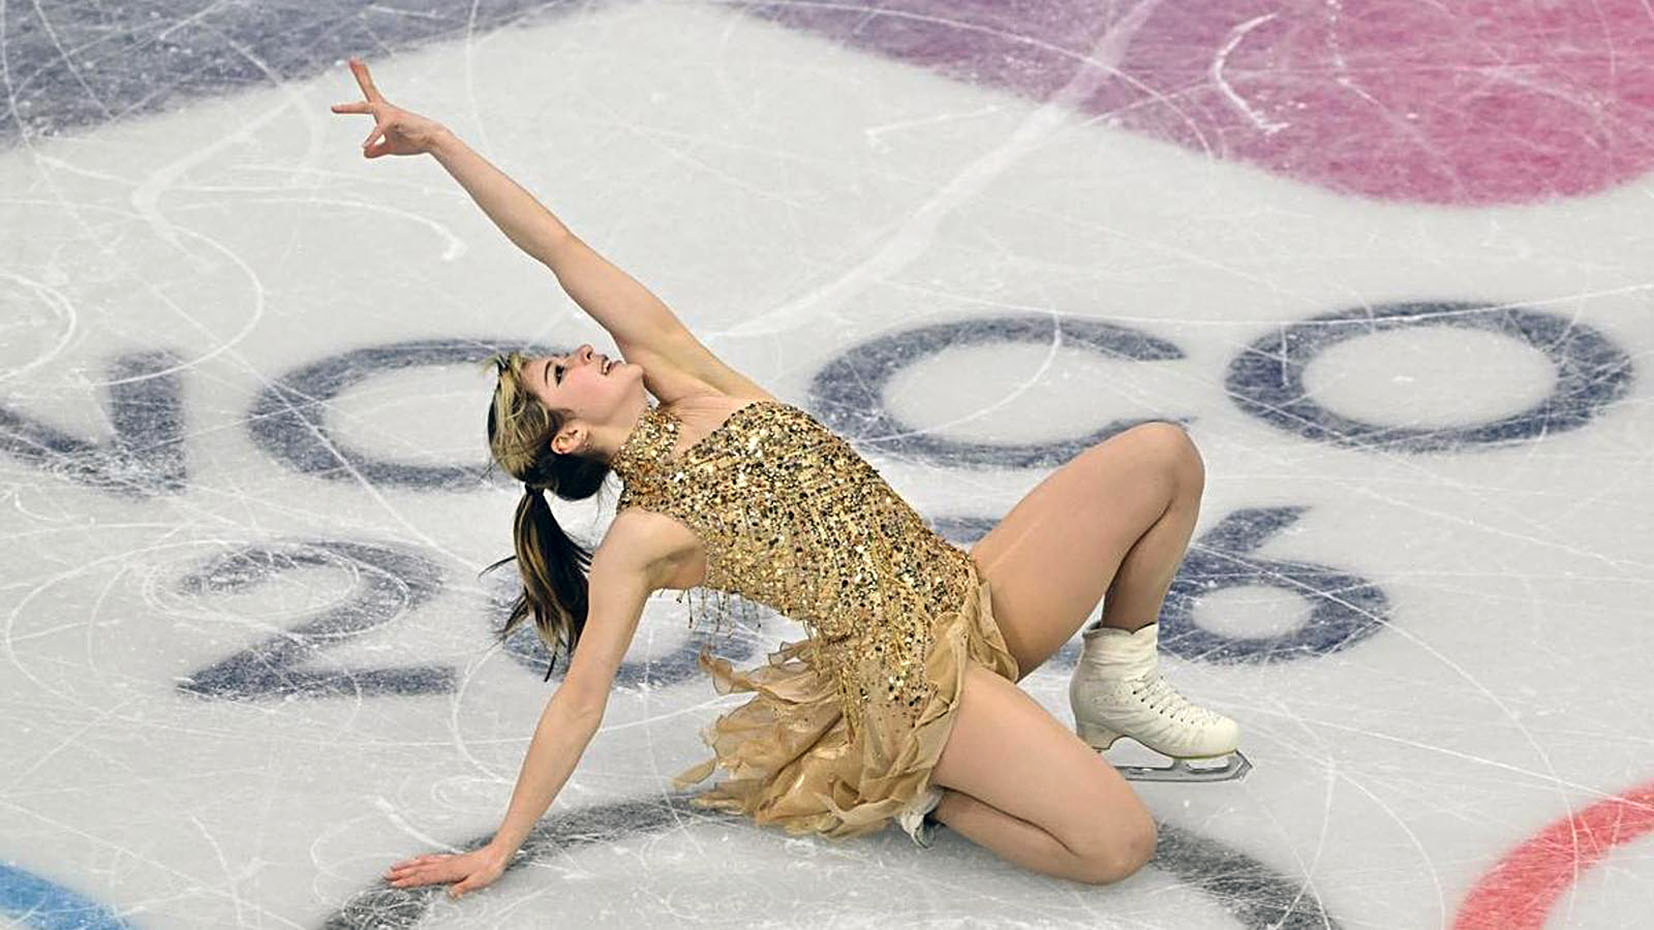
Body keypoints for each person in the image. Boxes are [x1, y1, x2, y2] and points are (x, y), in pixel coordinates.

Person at [332, 57, 1246, 903]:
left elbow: (560, 248)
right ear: (569, 434)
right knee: (1115, 845)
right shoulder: (644, 536)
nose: (581, 348)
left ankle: (1116, 674)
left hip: (967, 598)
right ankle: (916, 788)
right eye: (561, 371)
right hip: (905, 681)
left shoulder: (696, 383)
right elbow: (581, 699)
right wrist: (501, 845)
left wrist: (443, 142)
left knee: (1159, 455)